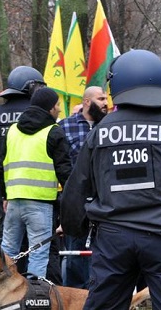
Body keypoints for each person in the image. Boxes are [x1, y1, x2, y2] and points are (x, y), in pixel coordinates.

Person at [60, 49, 161, 309]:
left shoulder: (100, 132)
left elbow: (77, 186)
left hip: (114, 239)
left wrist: (73, 228)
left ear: (117, 84)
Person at [0, 87, 71, 278]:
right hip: (41, 204)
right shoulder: (54, 132)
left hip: (13, 202)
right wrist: (71, 204)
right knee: (38, 255)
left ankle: (3, 297)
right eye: (57, 105)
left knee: (8, 252)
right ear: (49, 108)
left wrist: (4, 196)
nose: (59, 110)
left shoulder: (13, 130)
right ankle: (34, 301)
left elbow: (0, 166)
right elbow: (65, 172)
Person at [0, 66, 46, 239]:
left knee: (10, 245)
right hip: (41, 192)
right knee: (42, 246)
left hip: (6, 193)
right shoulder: (43, 116)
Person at [58, 85, 108, 288]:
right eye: (101, 99)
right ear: (87, 102)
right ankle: (75, 296)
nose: (106, 103)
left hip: (105, 198)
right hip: (76, 199)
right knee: (75, 253)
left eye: (106, 99)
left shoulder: (110, 125)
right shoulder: (64, 127)